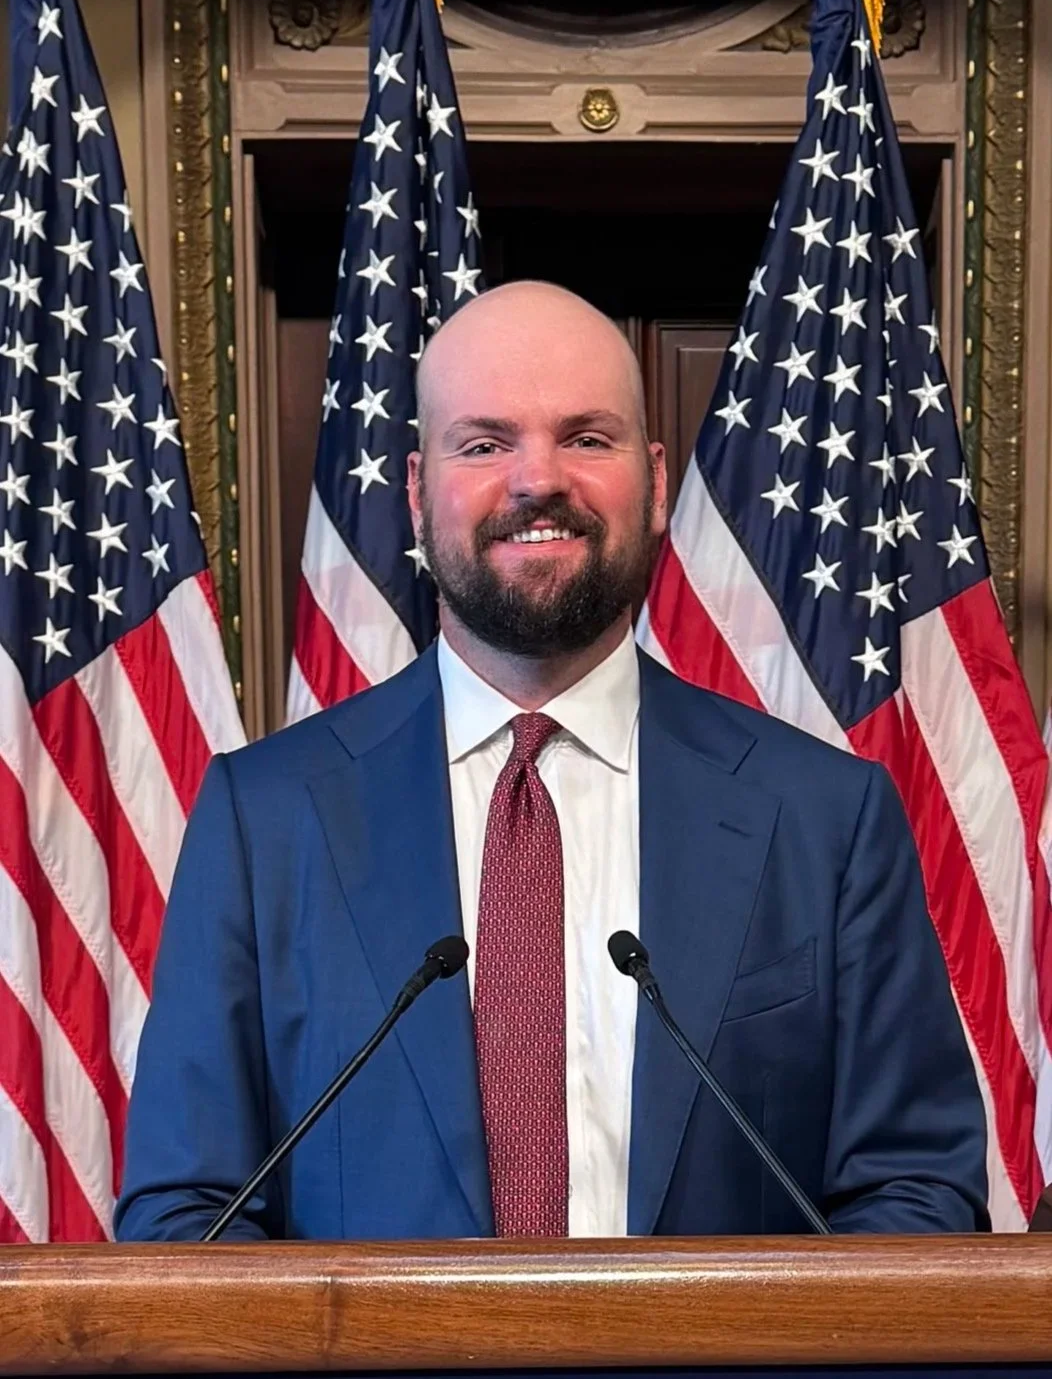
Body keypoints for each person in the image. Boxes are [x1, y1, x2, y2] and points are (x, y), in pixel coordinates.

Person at [115, 281, 989, 1241]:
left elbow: (916, 1196)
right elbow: (187, 1213)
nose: (539, 480)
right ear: (415, 494)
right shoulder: (263, 819)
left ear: (655, 483)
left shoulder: (827, 818)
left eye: (587, 437)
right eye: (485, 443)